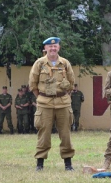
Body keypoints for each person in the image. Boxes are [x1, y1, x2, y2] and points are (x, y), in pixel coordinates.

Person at [29, 37, 76, 171]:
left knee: (65, 134)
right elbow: (33, 84)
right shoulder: (39, 63)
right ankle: (40, 164)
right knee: (44, 134)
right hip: (45, 104)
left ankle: (68, 164)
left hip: (63, 103)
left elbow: (71, 83)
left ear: (59, 48)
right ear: (45, 49)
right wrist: (42, 97)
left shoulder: (65, 63)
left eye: (55, 46)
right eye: (50, 46)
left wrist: (63, 96)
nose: (53, 48)